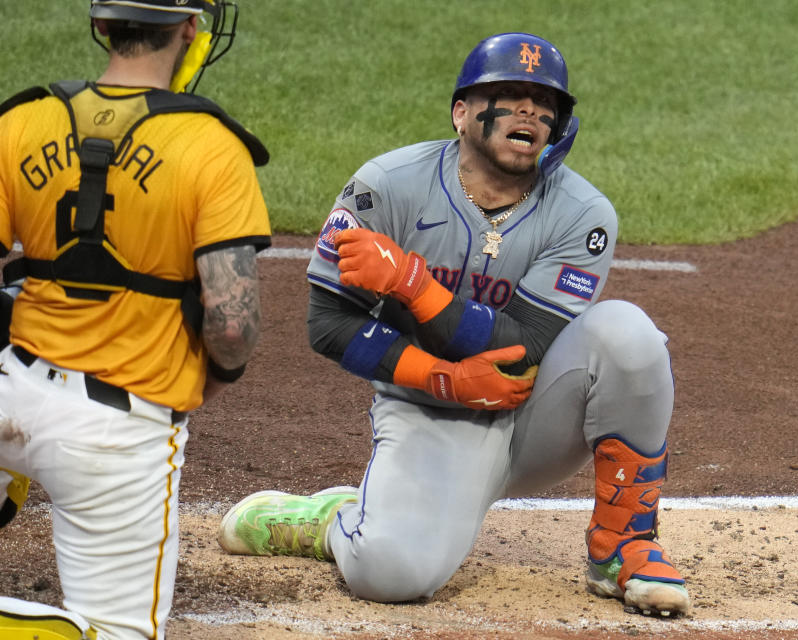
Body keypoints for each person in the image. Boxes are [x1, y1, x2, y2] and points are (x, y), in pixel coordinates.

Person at [218, 32, 690, 617]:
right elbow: (326, 323)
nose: (530, 111)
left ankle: (625, 548)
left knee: (630, 336)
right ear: (461, 113)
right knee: (389, 576)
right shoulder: (387, 186)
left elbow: (522, 347)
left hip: (534, 409)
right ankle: (331, 521)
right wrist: (441, 377)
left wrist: (414, 286)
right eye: (510, 95)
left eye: (545, 103)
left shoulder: (582, 212)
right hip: (429, 411)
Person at [0, 0, 271, 637]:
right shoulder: (211, 144)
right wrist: (218, 376)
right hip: (115, 435)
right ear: (189, 31)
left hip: (11, 387)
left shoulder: (23, 120)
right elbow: (232, 324)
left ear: (101, 25)